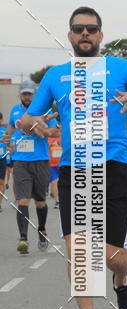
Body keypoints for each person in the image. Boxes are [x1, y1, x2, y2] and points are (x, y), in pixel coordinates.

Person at [21, 6, 127, 309]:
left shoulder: (121, 67)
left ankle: (121, 278)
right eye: (79, 29)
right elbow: (29, 118)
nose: (85, 33)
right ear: (70, 35)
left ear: (101, 35)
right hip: (73, 169)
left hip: (113, 167)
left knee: (113, 256)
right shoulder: (56, 75)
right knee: (77, 248)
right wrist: (33, 123)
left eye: (91, 28)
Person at [2, 80, 58, 253]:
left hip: (41, 160)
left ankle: (42, 230)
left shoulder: (45, 111)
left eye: (29, 94)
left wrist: (41, 130)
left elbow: (54, 131)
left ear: (35, 95)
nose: (27, 97)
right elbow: (10, 131)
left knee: (40, 202)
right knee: (23, 200)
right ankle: (23, 238)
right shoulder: (14, 111)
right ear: (20, 95)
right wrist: (7, 139)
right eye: (24, 94)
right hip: (20, 161)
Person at [48, 134, 62, 208]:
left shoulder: (63, 137)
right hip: (52, 165)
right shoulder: (48, 138)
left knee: (62, 183)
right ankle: (57, 201)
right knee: (54, 182)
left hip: (62, 164)